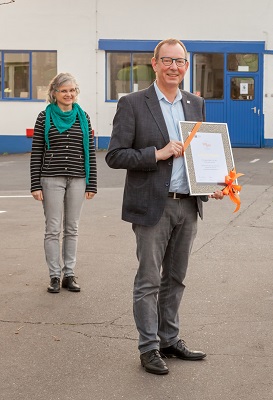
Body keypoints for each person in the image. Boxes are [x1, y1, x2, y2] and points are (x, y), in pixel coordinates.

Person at [106, 38, 224, 375]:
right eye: (168, 60)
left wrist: (213, 183)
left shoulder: (195, 103)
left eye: (181, 61)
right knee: (148, 281)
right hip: (152, 207)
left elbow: (202, 152)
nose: (174, 67)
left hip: (188, 205)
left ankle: (169, 339)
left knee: (176, 278)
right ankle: (149, 348)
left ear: (187, 66)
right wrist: (155, 154)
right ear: (154, 63)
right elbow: (115, 155)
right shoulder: (132, 103)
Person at [30, 72, 97, 294]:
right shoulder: (44, 117)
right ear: (54, 93)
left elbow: (90, 152)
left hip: (78, 178)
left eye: (72, 90)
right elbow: (37, 152)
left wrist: (92, 183)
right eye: (64, 90)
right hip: (51, 179)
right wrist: (35, 185)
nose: (68, 94)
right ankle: (54, 276)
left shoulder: (83, 117)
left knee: (72, 228)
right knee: (52, 229)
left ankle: (69, 274)